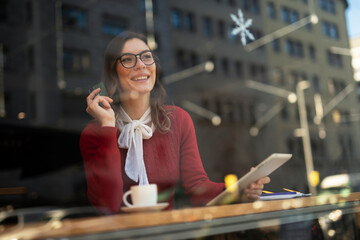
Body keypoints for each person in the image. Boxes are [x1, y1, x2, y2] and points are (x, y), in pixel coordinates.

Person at [80, 31, 270, 214]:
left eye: (146, 56)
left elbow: (197, 187)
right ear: (113, 74)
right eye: (128, 59)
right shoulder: (96, 133)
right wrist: (107, 126)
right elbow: (108, 203)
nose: (141, 65)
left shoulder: (177, 120)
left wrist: (239, 189)